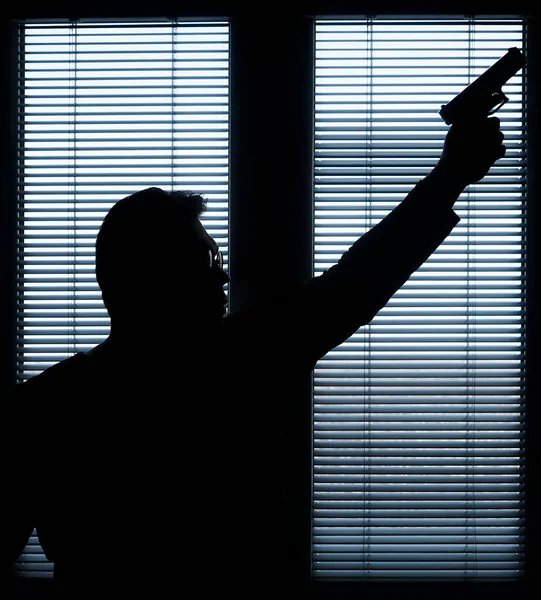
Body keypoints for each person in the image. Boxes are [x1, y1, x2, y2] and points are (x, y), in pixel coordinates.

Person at [1, 118, 505, 596]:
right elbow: (355, 283)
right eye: (203, 262)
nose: (222, 277)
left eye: (218, 260)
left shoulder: (46, 406)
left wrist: (450, 177)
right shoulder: (245, 358)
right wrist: (449, 177)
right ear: (150, 275)